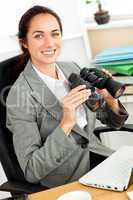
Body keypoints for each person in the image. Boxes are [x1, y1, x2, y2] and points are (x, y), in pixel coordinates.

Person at [6, 5, 128, 188]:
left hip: (101, 160)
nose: (49, 43)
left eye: (55, 34)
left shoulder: (71, 68)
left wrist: (110, 99)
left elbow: (113, 122)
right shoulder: (19, 97)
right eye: (39, 36)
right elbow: (32, 170)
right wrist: (66, 123)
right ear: (24, 42)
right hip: (68, 179)